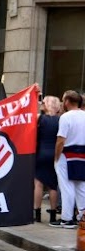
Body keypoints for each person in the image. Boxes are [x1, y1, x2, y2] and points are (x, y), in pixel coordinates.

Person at [50, 90, 85, 228]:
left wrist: (56, 158)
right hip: (82, 154)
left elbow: (60, 140)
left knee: (66, 187)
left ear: (67, 101)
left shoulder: (65, 117)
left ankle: (66, 218)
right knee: (81, 187)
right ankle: (82, 217)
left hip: (67, 154)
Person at [34, 96, 60, 223]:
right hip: (55, 154)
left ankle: (37, 213)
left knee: (38, 183)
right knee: (52, 184)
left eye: (43, 102)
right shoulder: (61, 120)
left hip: (41, 152)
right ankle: (53, 215)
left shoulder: (40, 118)